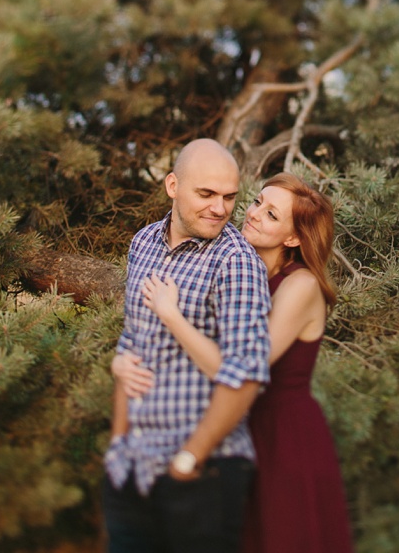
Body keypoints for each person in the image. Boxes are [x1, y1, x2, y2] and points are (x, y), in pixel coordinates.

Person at [114, 173, 355, 553]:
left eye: (272, 214)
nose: (254, 214)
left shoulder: (301, 286)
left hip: (281, 433)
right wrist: (124, 362)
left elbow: (240, 365)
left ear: (293, 237)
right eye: (258, 202)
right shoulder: (237, 267)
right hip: (228, 426)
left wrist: (172, 316)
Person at [103, 138, 272, 553]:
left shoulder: (236, 261)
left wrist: (190, 458)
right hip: (134, 467)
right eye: (206, 194)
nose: (220, 208)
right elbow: (133, 343)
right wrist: (118, 442)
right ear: (173, 185)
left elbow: (247, 374)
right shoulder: (142, 243)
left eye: (230, 197)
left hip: (201, 476)